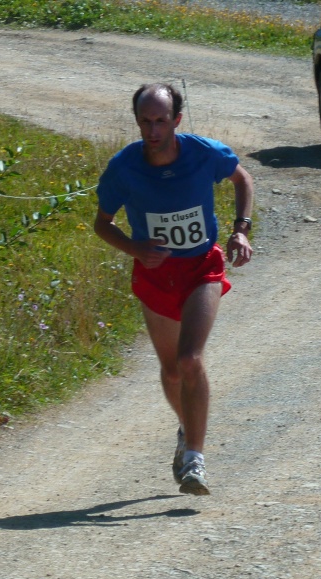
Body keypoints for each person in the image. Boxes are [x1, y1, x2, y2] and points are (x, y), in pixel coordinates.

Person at [94, 83, 254, 496]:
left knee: (189, 359)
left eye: (161, 120)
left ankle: (195, 460)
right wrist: (134, 248)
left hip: (201, 267)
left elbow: (242, 179)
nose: (153, 129)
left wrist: (241, 231)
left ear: (176, 120)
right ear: (137, 122)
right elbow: (102, 222)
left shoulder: (204, 153)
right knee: (169, 370)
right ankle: (187, 430)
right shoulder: (124, 167)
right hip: (154, 275)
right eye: (145, 121)